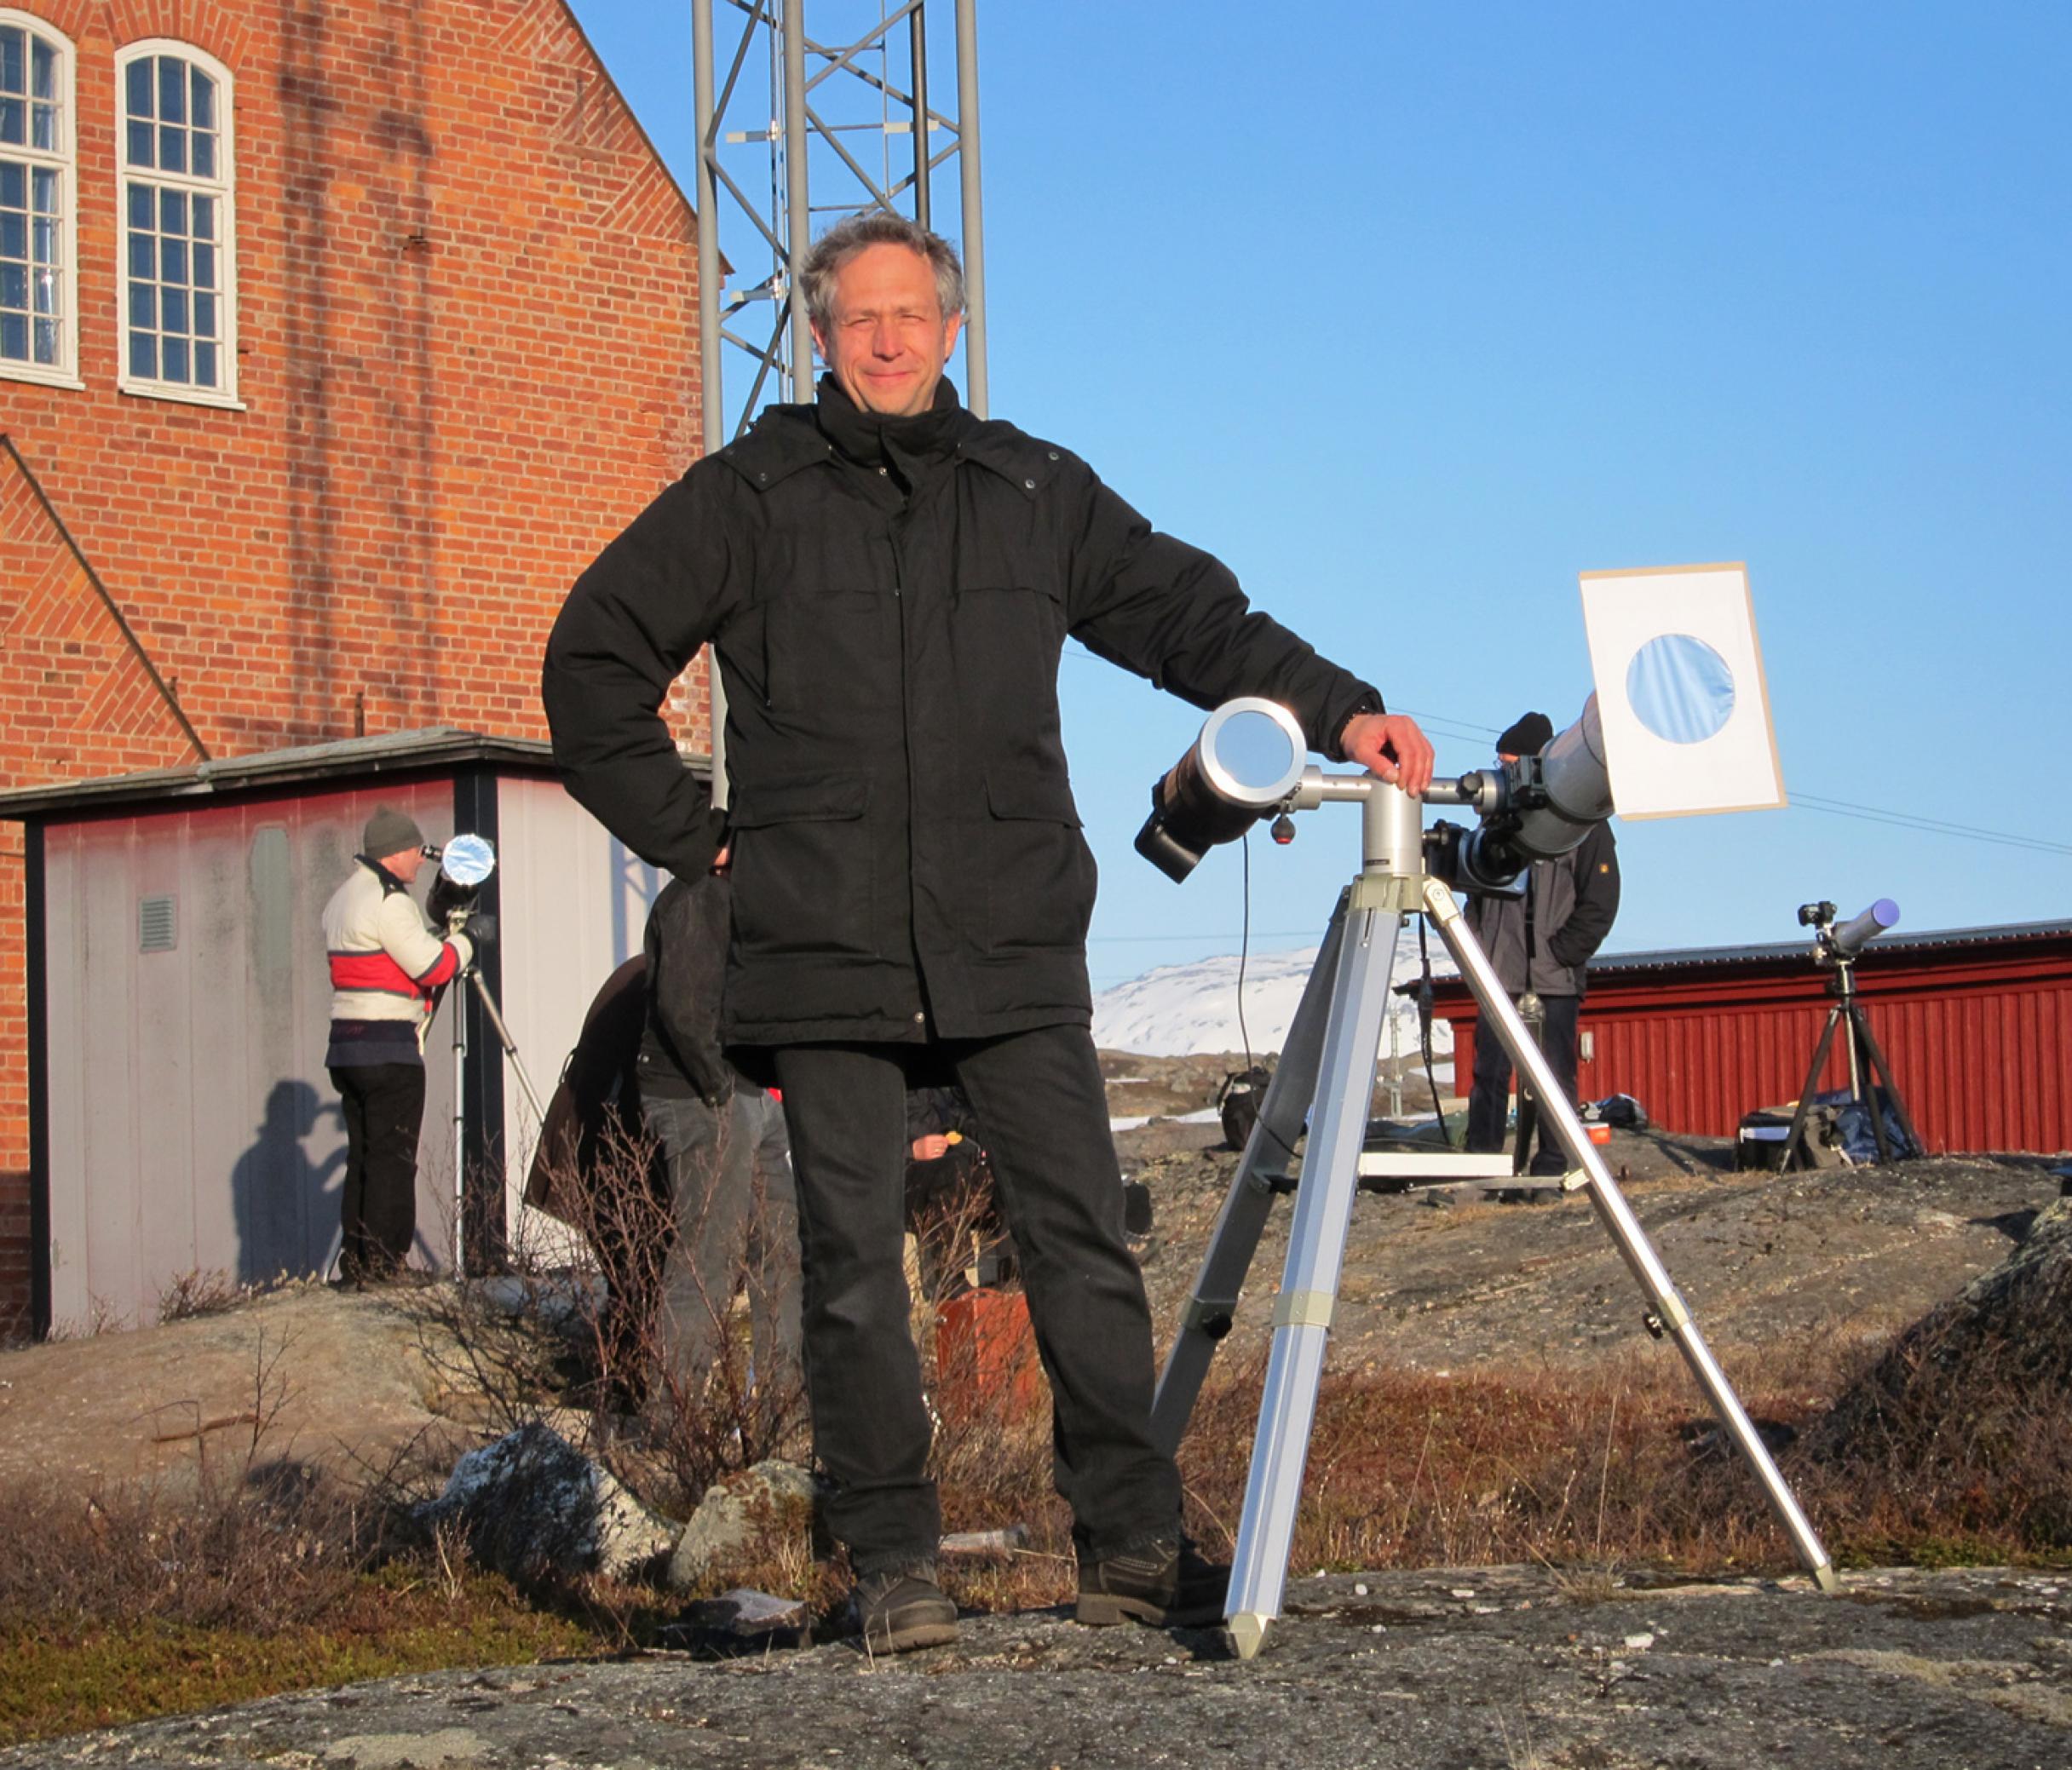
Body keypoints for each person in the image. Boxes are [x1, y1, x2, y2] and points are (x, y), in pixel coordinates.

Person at [544, 210, 1432, 1651]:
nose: (889, 341)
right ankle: (892, 1565)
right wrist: (704, 834)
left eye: (913, 316)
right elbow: (592, 658)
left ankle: (1133, 1544)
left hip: (1010, 939)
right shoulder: (750, 493)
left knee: (1083, 1243)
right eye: (859, 320)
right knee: (848, 1265)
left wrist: (1337, 706)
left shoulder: (1032, 488)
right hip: (822, 952)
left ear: (952, 331)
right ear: (820, 335)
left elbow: (1186, 614)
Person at [634, 874, 801, 1412]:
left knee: (781, 1252)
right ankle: (674, 1419)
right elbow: (682, 1007)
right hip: (703, 1095)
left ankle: (784, 1409)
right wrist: (719, 1088)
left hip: (753, 1094)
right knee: (709, 1257)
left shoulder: (752, 893)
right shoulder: (700, 894)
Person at [320, 806, 476, 1284]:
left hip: (345, 1047)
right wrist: (466, 943)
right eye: (415, 850)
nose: (419, 861)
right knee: (394, 1157)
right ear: (394, 853)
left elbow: (387, 959)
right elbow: (433, 969)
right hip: (388, 1048)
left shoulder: (340, 900)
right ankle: (387, 1263)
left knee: (363, 1155)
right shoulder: (391, 902)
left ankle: (359, 1261)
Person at [1462, 712, 1620, 1176]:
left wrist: (1562, 953)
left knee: (1554, 1077)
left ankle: (1552, 1164)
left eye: (1510, 762)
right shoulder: (1493, 821)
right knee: (1489, 1075)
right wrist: (1478, 950)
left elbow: (1600, 900)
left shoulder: (1584, 826)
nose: (1502, 771)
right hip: (1501, 973)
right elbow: (1474, 892)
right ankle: (1484, 1163)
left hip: (1554, 977)